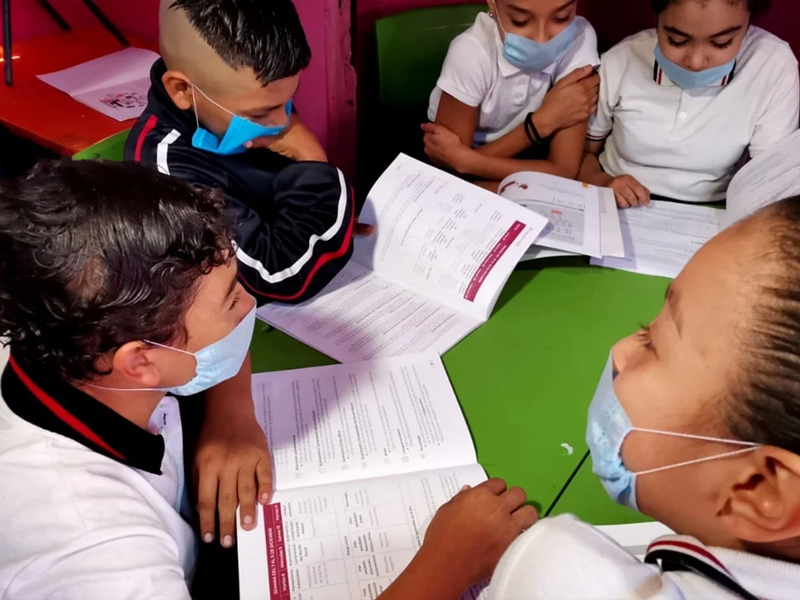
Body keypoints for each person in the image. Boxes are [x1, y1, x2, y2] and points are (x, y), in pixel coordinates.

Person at [379, 196, 800, 599]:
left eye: (654, 342)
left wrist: (445, 562)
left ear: (760, 490)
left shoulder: (560, 575)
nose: (621, 349)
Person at [0, 160, 259, 598]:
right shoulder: (100, 553)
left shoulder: (56, 326)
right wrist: (423, 564)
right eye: (232, 299)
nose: (249, 302)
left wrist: (232, 414)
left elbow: (201, 333)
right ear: (140, 363)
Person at [128, 0, 361, 304]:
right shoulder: (165, 173)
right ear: (183, 91)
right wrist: (314, 164)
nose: (281, 122)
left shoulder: (237, 100)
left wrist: (324, 218)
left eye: (288, 101)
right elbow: (277, 275)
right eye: (261, 114)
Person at [580, 0, 799, 208]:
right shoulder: (621, 60)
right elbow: (583, 154)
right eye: (676, 41)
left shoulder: (772, 66)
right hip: (615, 201)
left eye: (722, 43)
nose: (695, 62)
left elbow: (771, 184)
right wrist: (603, 182)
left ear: (747, 24)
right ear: (657, 19)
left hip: (715, 210)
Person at [423, 0, 601, 187]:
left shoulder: (580, 38)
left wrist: (469, 162)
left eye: (561, 17)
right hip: (469, 162)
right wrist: (541, 123)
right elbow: (446, 164)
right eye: (520, 20)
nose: (542, 39)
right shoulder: (471, 52)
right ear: (492, 3)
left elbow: (564, 170)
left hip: (521, 156)